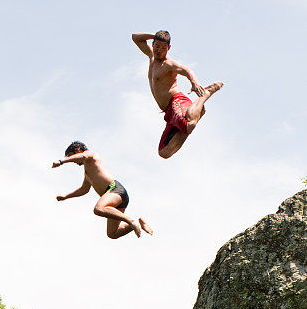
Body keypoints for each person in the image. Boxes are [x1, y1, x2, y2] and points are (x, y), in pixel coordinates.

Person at [131, 30, 223, 159]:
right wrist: (156, 36)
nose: (159, 50)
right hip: (168, 112)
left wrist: (194, 82)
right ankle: (195, 113)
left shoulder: (169, 64)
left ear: (168, 48)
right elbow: (135, 37)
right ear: (152, 45)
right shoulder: (151, 56)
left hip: (176, 101)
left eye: (163, 48)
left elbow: (186, 70)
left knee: (189, 125)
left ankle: (205, 95)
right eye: (157, 46)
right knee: (164, 152)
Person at [52, 142, 153, 240]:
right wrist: (66, 197)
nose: (73, 161)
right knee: (112, 233)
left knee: (98, 209)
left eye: (71, 156)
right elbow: (84, 189)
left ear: (78, 150)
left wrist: (61, 162)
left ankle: (130, 220)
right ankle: (138, 223)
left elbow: (82, 156)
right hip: (113, 201)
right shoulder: (87, 172)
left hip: (114, 189)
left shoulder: (90, 154)